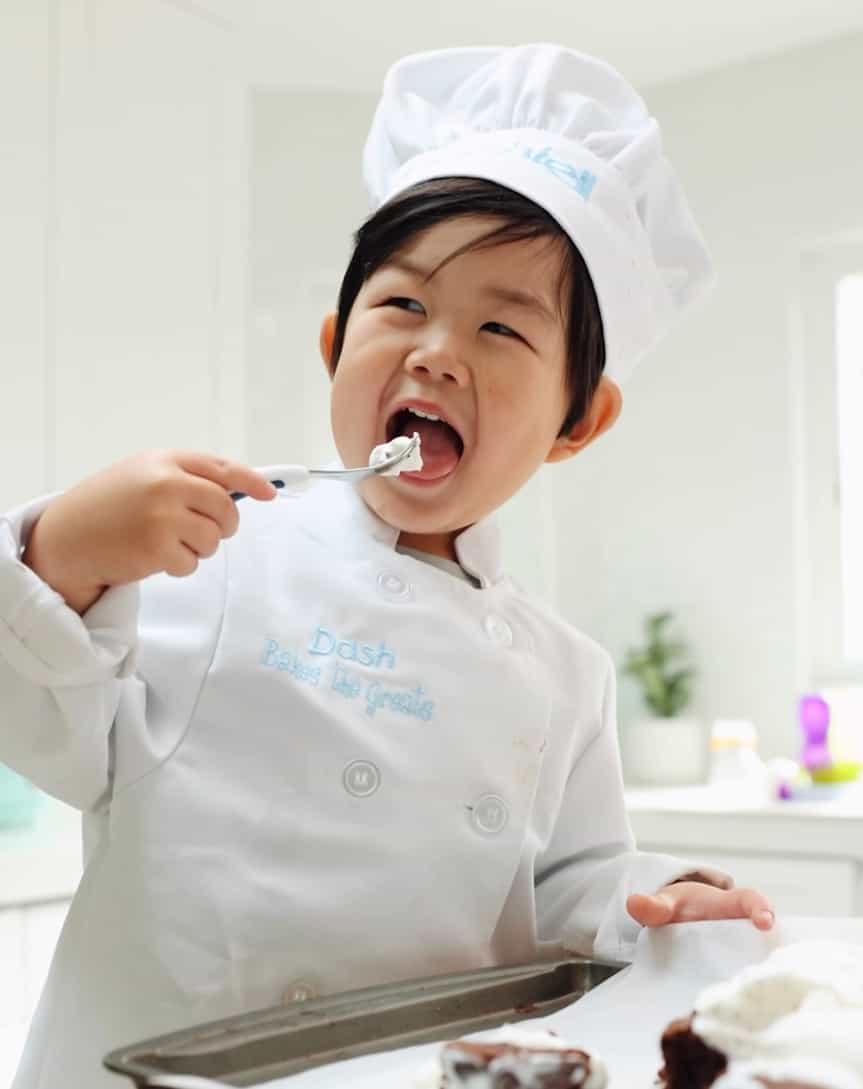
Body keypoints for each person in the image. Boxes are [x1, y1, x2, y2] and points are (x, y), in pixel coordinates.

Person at [0, 44, 774, 1089]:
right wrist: (64, 554)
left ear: (578, 421)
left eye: (502, 325)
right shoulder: (207, 558)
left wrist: (658, 898)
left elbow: (568, 896)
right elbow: (48, 737)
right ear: (334, 344)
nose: (437, 351)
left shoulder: (566, 672)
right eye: (403, 306)